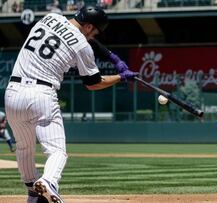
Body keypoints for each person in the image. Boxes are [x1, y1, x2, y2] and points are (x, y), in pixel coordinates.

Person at [4, 5, 137, 203]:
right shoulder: (82, 47)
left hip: (13, 93)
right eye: (95, 31)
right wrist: (120, 76)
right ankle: (49, 181)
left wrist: (111, 56)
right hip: (41, 94)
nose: (94, 35)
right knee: (57, 151)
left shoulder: (51, 17)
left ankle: (33, 194)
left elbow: (77, 35)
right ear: (90, 26)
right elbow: (93, 83)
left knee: (24, 147)